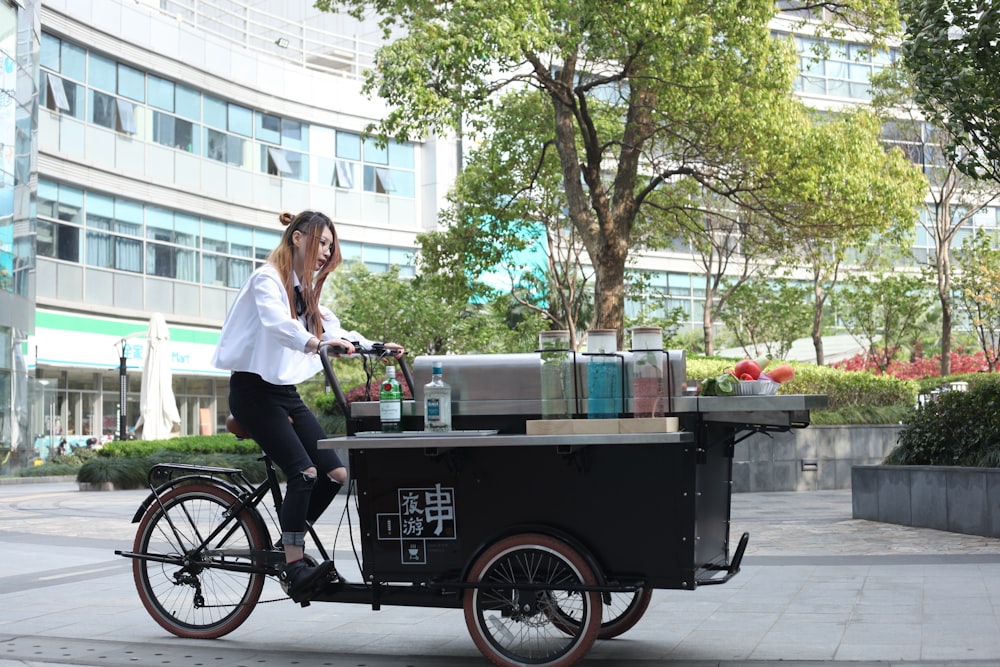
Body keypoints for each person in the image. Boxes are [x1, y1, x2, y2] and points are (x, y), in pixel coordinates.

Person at [212, 210, 403, 603]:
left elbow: (334, 329)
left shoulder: (305, 290)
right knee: (304, 474)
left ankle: (287, 540)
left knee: (334, 474)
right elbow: (276, 324)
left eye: (331, 246)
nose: (326, 252)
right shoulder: (267, 279)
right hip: (252, 392)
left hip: (285, 393)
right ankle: (294, 562)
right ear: (297, 238)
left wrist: (375, 347)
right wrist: (314, 344)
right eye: (322, 243)